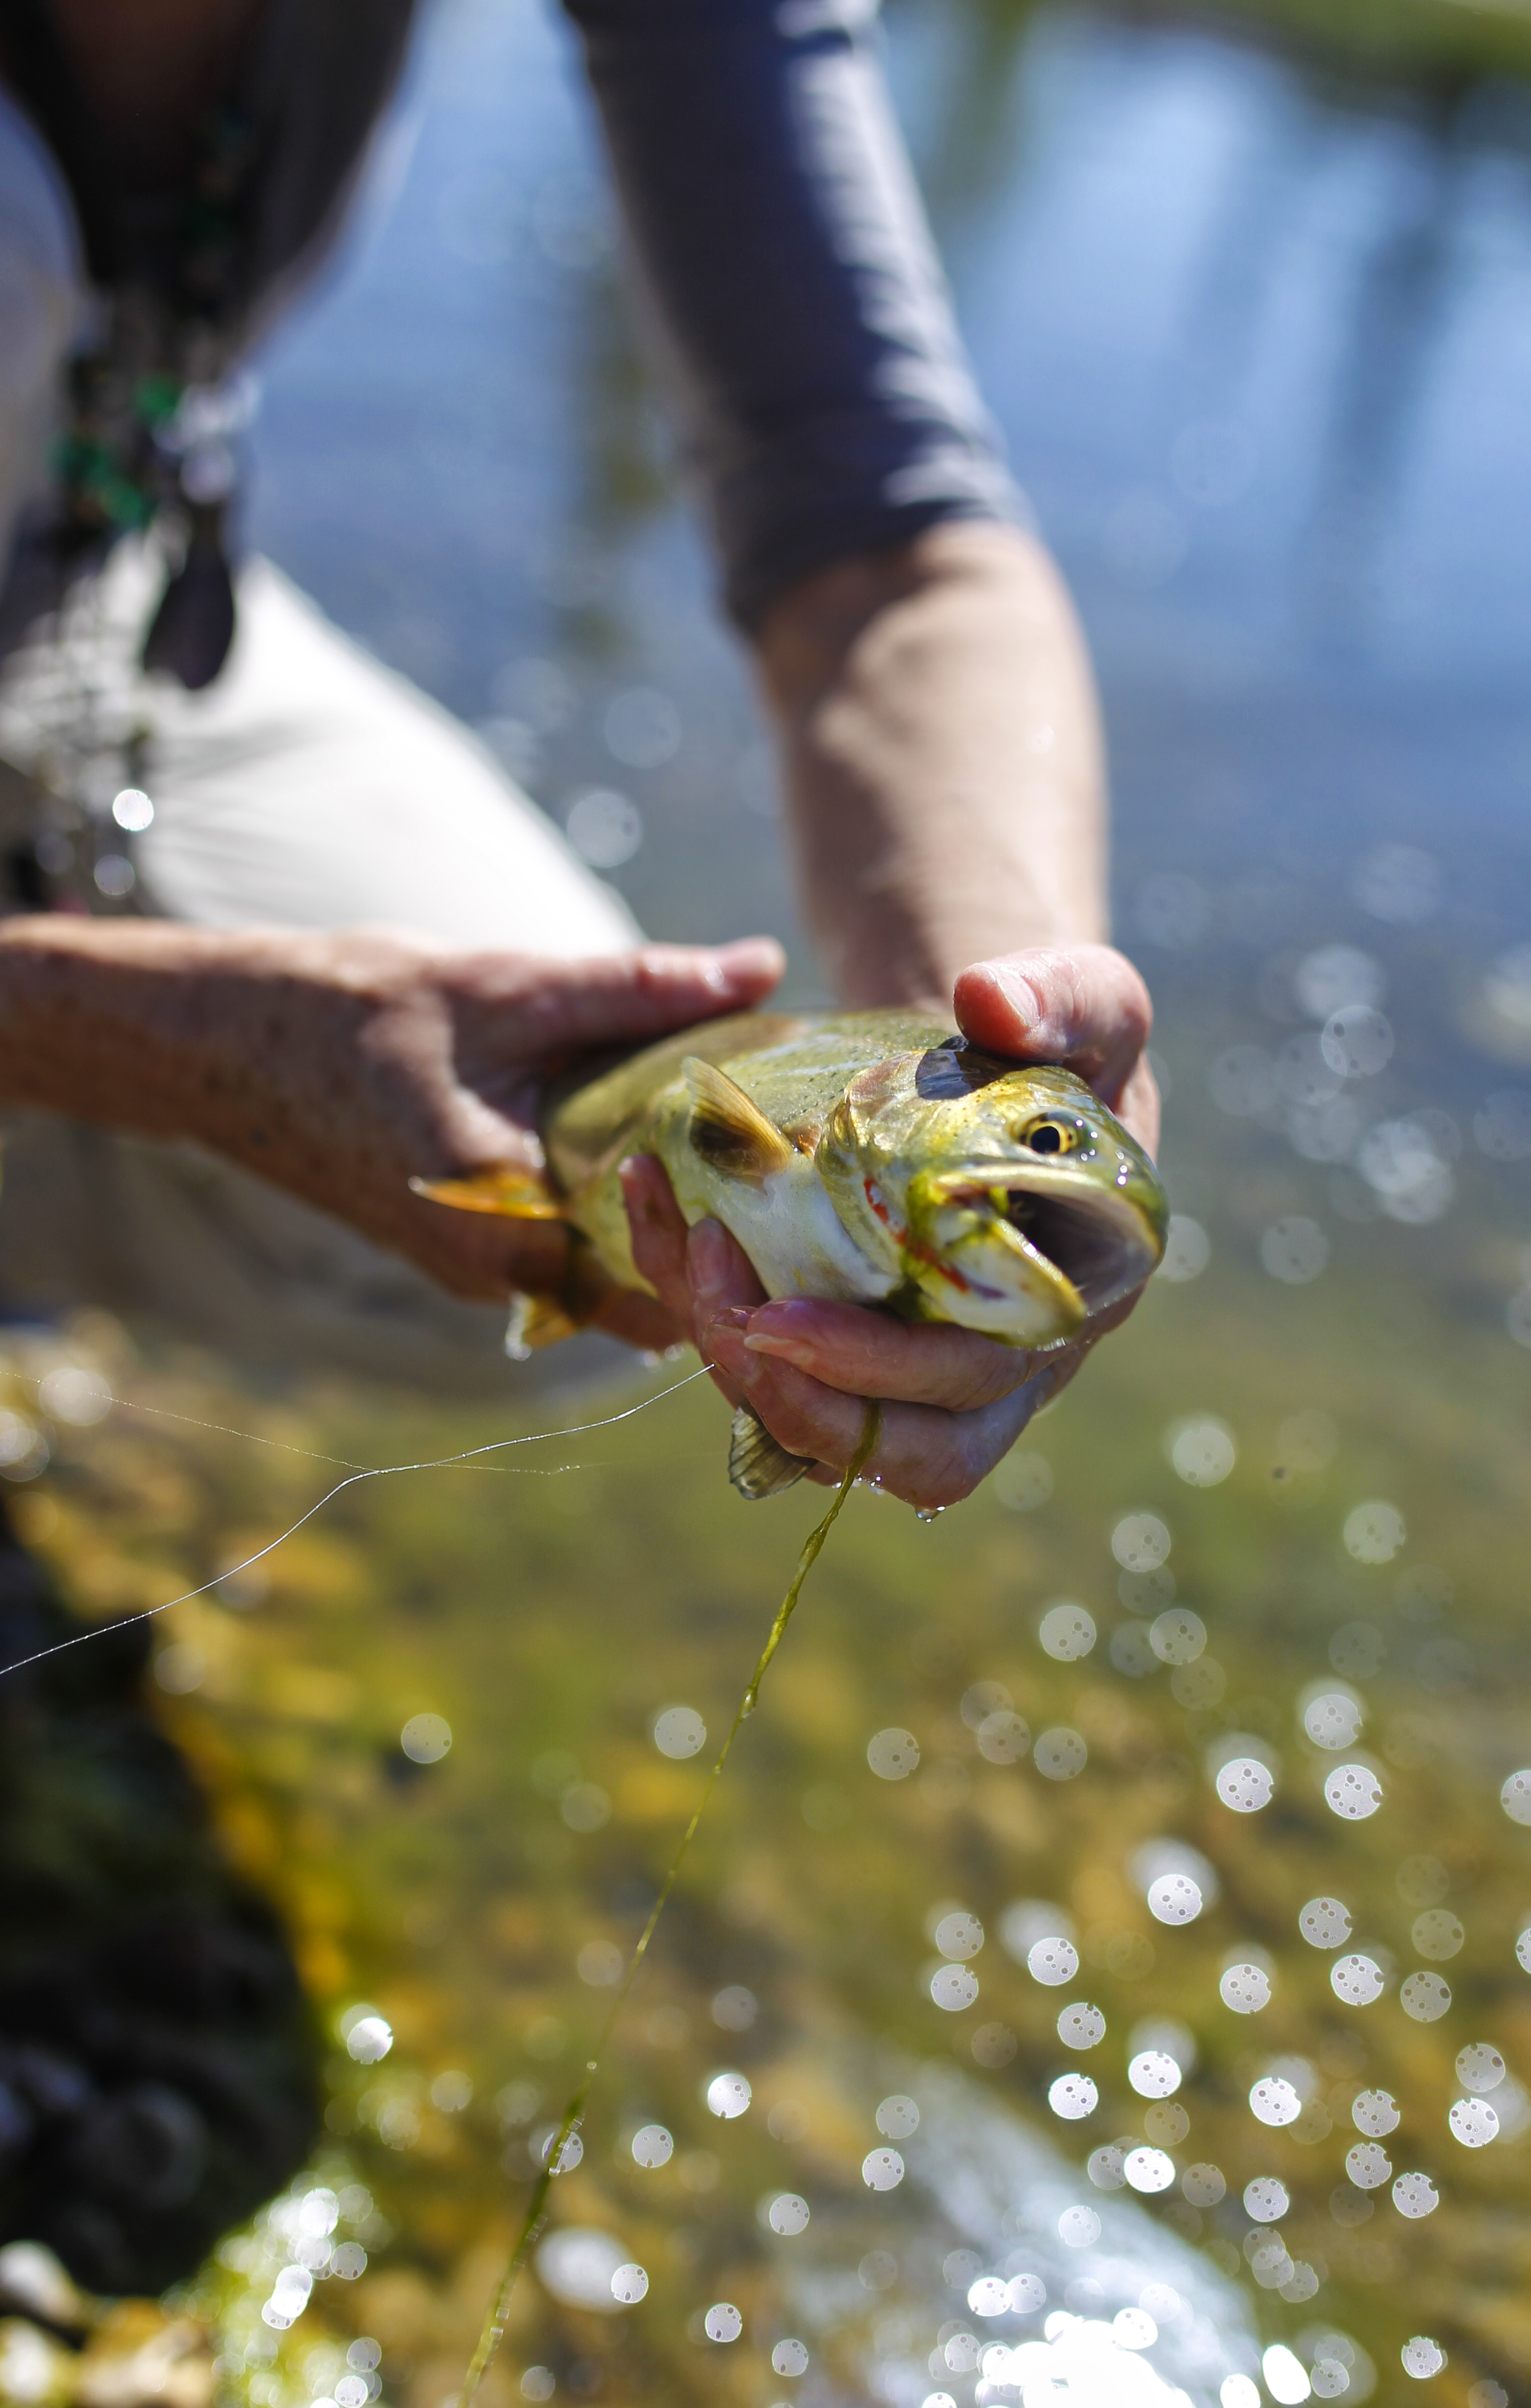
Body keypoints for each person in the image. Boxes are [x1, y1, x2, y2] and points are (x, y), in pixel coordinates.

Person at [0, 0, 1157, 1510]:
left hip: (77, 616)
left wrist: (1001, 1035)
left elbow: (884, 542)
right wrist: (148, 1040)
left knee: (585, 1191)